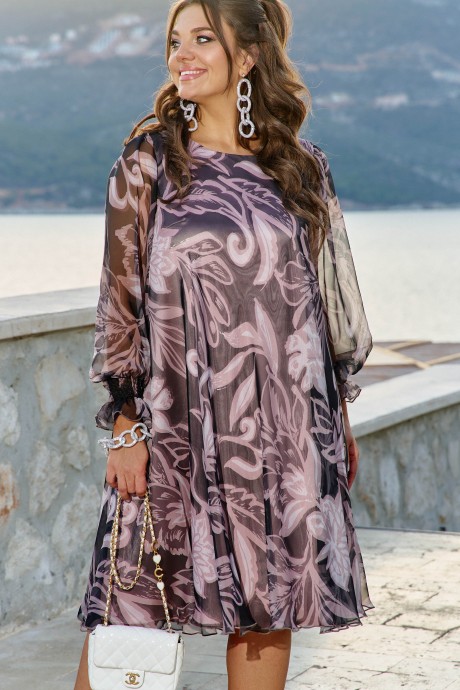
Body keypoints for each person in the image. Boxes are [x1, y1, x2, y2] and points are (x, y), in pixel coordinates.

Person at [74, 1, 375, 688]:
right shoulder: (149, 164)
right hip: (174, 425)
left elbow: (320, 309)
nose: (182, 54)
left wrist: (337, 420)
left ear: (247, 57)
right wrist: (126, 425)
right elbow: (119, 301)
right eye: (175, 40)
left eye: (203, 38)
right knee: (132, 605)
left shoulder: (301, 168)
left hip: (288, 429)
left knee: (270, 605)